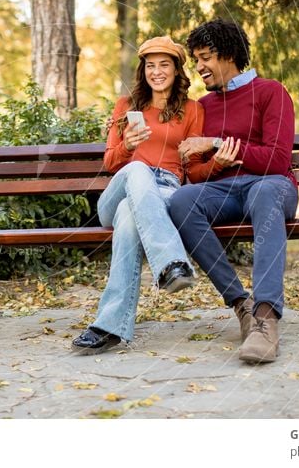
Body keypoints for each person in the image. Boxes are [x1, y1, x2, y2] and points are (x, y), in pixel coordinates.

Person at [170, 18, 298, 364]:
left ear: (228, 55)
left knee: (265, 192)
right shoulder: (203, 106)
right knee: (180, 201)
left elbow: (276, 159)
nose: (199, 68)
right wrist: (216, 164)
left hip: (272, 187)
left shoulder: (272, 92)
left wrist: (218, 144)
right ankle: (241, 304)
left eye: (205, 58)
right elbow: (194, 174)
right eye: (196, 60)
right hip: (224, 190)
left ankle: (266, 316)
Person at [72, 36, 204, 355]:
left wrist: (201, 152)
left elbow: (196, 170)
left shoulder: (192, 110)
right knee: (138, 170)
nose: (156, 71)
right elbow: (110, 163)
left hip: (165, 193)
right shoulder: (126, 107)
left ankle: (108, 327)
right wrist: (128, 146)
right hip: (120, 189)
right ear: (143, 70)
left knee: (131, 220)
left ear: (176, 70)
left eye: (164, 65)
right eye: (150, 65)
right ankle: (171, 262)